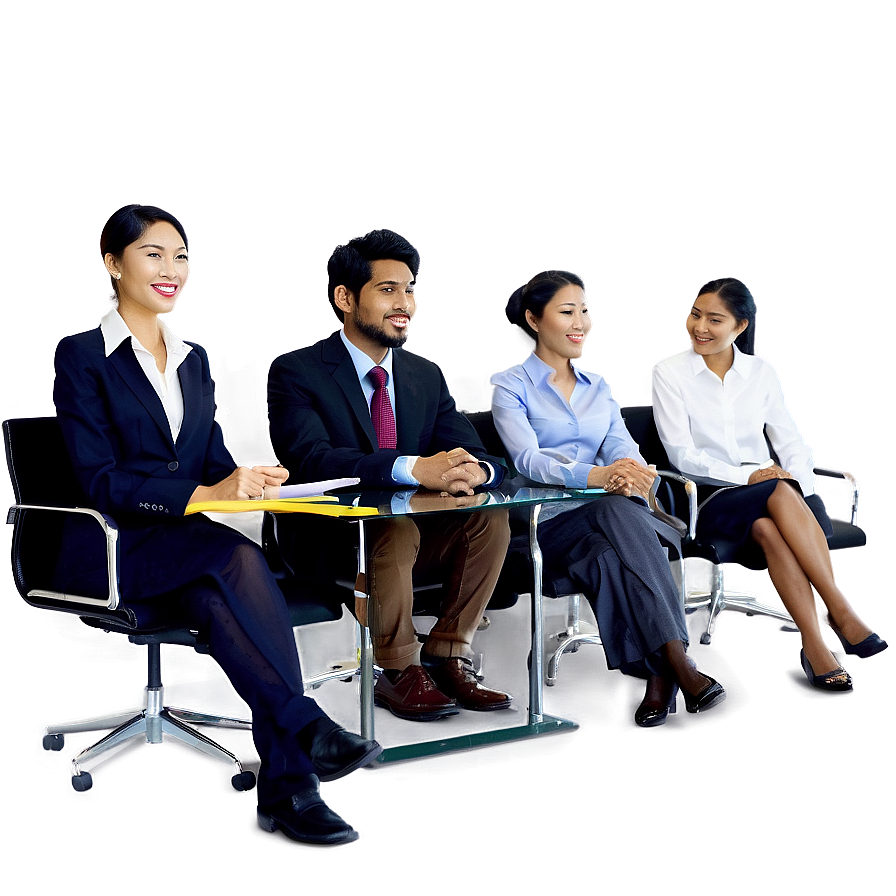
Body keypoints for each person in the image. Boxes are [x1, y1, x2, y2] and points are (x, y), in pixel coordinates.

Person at [52, 203, 383, 848]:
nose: (173, 268)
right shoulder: (82, 355)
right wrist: (205, 493)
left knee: (217, 594)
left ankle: (288, 788)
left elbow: (214, 463)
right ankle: (303, 737)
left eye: (181, 256)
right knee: (235, 562)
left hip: (190, 551)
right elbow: (99, 481)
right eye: (154, 253)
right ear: (112, 262)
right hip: (119, 546)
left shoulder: (194, 359)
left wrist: (249, 481)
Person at [267, 228, 513, 721]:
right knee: (393, 527)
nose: (405, 303)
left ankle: (446, 656)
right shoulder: (296, 371)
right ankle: (399, 670)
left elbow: (482, 453)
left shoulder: (425, 373)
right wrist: (413, 468)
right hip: (332, 537)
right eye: (387, 290)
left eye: (409, 289)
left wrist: (474, 471)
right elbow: (312, 458)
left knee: (490, 519)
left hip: (420, 540)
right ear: (344, 297)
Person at [490, 269, 725, 726]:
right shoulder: (509, 385)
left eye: (585, 311)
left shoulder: (599, 385)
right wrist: (597, 476)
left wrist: (630, 471)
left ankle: (658, 677)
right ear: (534, 320)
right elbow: (527, 461)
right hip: (550, 521)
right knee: (615, 510)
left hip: (613, 519)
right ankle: (681, 665)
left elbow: (622, 447)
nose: (581, 322)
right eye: (567, 312)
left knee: (606, 557)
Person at [651, 276, 888, 693]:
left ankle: (815, 646)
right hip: (707, 497)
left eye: (715, 319)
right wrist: (753, 476)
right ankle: (839, 609)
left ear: (740, 326)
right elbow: (681, 455)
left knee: (768, 523)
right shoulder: (669, 373)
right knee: (777, 490)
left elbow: (790, 440)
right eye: (695, 315)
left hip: (771, 497)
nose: (700, 327)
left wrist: (800, 482)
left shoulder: (761, 373)